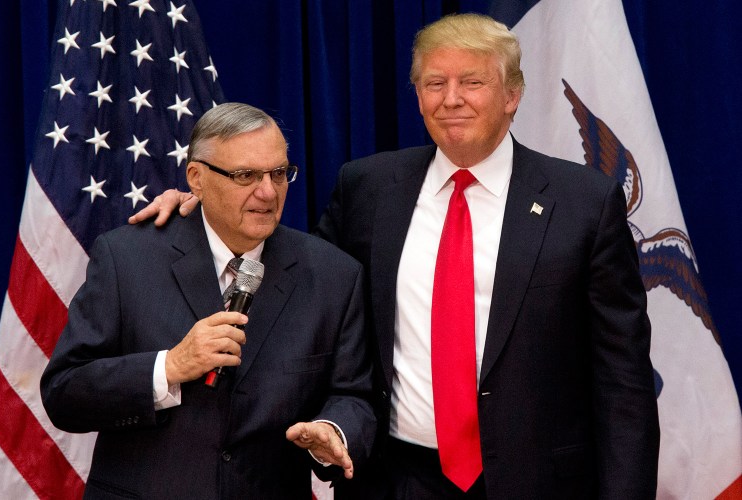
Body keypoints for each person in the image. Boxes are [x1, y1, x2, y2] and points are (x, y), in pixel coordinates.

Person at [131, 13, 660, 499]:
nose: (451, 99)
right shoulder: (369, 188)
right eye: (434, 83)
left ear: (512, 94)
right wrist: (206, 209)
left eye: (472, 82)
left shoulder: (584, 203)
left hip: (539, 483)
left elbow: (624, 383)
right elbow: (295, 279)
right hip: (392, 480)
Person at [40, 102, 376, 499]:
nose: (268, 192)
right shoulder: (126, 259)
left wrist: (333, 429)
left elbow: (355, 396)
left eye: (279, 173)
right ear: (196, 178)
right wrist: (170, 366)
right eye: (245, 175)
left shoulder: (333, 276)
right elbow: (64, 393)